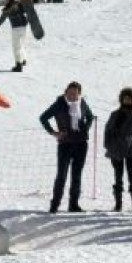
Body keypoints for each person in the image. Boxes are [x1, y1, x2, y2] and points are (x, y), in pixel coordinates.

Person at [39, 82, 94, 213]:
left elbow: (90, 117)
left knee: (77, 175)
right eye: (69, 92)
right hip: (65, 143)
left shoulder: (83, 103)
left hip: (81, 143)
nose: (72, 95)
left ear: (79, 93)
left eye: (75, 93)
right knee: (61, 175)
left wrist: (85, 128)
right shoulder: (59, 104)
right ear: (65, 92)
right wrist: (54, 132)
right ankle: (55, 205)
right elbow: (43, 118)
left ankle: (73, 204)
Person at [103, 88, 132, 212]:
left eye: (130, 98)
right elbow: (108, 131)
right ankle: (118, 204)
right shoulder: (115, 114)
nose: (127, 100)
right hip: (116, 149)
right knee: (118, 176)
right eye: (125, 98)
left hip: (131, 150)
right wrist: (108, 145)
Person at [0, 0, 29, 72]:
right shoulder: (18, 4)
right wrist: (22, 0)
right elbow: (26, 8)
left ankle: (18, 65)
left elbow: (1, 19)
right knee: (21, 44)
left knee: (16, 47)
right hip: (24, 27)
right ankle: (23, 60)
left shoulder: (8, 8)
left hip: (16, 28)